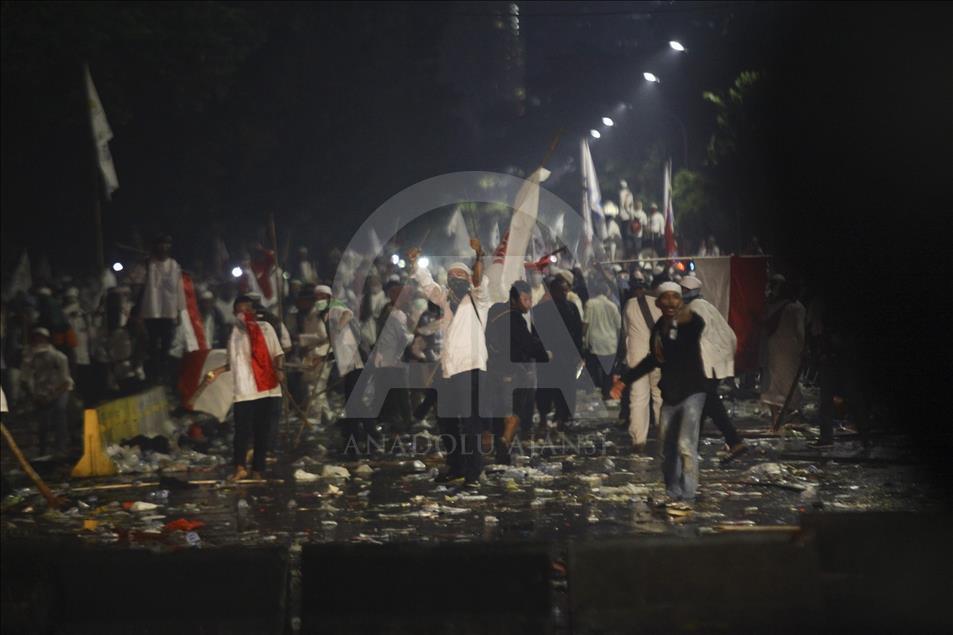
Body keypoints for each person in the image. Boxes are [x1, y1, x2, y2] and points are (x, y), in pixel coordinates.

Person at [409, 239, 489, 489]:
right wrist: (415, 263)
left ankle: (474, 474)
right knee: (446, 420)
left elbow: (478, 279)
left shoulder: (477, 298)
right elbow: (428, 286)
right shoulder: (445, 300)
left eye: (460, 274)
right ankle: (456, 467)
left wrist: (478, 256)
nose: (456, 277)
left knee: (470, 422)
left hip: (471, 368)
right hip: (449, 369)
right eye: (452, 275)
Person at [617, 282, 708, 502]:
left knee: (685, 445)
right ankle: (673, 491)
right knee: (667, 448)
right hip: (670, 392)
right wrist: (624, 380)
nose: (670, 303)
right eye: (665, 299)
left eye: (675, 298)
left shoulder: (689, 321)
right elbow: (654, 359)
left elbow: (695, 328)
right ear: (657, 302)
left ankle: (687, 495)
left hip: (691, 392)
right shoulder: (659, 327)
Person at [206, 295, 285, 480]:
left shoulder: (266, 328)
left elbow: (278, 353)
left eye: (247, 310)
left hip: (267, 387)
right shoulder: (234, 333)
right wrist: (217, 372)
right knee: (241, 431)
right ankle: (240, 467)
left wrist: (280, 370)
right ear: (234, 313)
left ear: (253, 311)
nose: (243, 314)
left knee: (262, 430)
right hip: (244, 389)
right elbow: (232, 362)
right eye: (240, 311)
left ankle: (258, 468)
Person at [679, 276, 748, 462]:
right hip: (716, 362)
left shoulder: (693, 309)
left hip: (705, 363)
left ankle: (734, 440)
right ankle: (692, 447)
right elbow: (730, 336)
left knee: (708, 402)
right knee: (702, 404)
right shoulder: (707, 306)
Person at [484, 281, 549, 464]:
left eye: (530, 299)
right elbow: (528, 343)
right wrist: (544, 355)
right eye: (525, 299)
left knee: (498, 411)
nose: (528, 303)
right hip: (510, 372)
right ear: (514, 299)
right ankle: (504, 446)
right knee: (512, 414)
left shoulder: (495, 311)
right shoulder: (515, 318)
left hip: (492, 369)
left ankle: (499, 447)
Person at [533, 274, 583, 431]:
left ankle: (563, 417)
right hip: (549, 356)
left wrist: (579, 354)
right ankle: (547, 417)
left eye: (566, 291)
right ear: (552, 291)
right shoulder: (541, 310)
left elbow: (577, 333)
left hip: (564, 357)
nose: (564, 294)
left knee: (564, 388)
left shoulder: (571, 308)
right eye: (561, 291)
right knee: (547, 388)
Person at [622, 271, 662, 452]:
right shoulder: (661, 305)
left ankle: (639, 441)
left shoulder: (629, 305)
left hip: (637, 360)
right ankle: (664, 435)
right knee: (660, 398)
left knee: (638, 401)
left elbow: (625, 333)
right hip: (658, 358)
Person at [138, 234, 185, 386]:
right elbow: (137, 284)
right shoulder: (148, 264)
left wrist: (179, 311)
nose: (164, 247)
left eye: (166, 244)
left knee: (166, 346)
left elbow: (179, 290)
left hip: (168, 312)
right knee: (152, 345)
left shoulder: (174, 265)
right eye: (161, 244)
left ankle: (163, 377)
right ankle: (152, 376)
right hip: (150, 311)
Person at [760, 275, 806, 429]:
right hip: (790, 350)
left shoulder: (772, 306)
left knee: (774, 383)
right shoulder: (796, 308)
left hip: (772, 348)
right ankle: (793, 417)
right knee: (790, 382)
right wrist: (804, 349)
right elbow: (800, 332)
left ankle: (775, 420)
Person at [21, 327, 74, 456]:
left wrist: (51, 396)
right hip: (41, 393)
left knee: (59, 412)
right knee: (42, 422)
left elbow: (65, 382)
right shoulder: (30, 357)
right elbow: (25, 380)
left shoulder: (59, 357)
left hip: (60, 390)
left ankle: (61, 448)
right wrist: (34, 396)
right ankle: (43, 450)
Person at [371, 279, 414, 433]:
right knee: (401, 393)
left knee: (384, 392)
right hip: (394, 360)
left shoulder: (386, 310)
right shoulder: (397, 314)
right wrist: (414, 337)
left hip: (383, 359)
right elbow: (403, 338)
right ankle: (406, 422)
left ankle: (386, 420)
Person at [584, 278, 622, 400]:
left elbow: (585, 323)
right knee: (608, 372)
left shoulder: (590, 304)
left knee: (592, 370)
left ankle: (592, 392)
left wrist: (583, 337)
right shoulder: (613, 306)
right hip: (610, 343)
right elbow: (618, 326)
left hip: (594, 342)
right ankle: (606, 393)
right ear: (607, 292)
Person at [62, 287, 97, 405]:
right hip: (72, 355)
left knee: (86, 382)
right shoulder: (65, 314)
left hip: (85, 355)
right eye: (70, 299)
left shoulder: (84, 315)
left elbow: (91, 335)